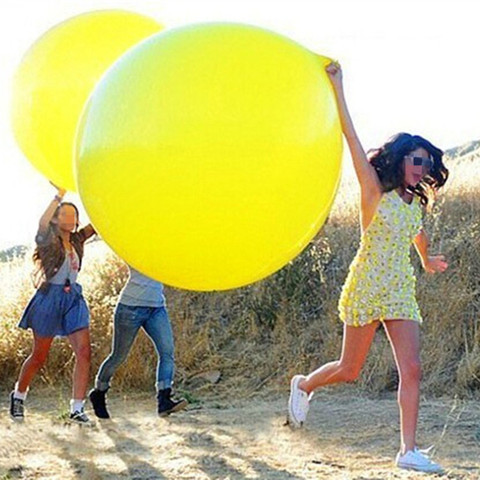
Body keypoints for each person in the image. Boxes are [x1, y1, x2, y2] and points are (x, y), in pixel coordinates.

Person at [288, 62, 449, 473]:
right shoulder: (374, 191)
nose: (423, 168)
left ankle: (407, 451)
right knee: (349, 369)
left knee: (412, 368)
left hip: (400, 290)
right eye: (417, 160)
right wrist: (338, 86)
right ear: (401, 160)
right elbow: (352, 137)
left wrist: (426, 260)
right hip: (365, 285)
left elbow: (416, 234)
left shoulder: (416, 204)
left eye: (428, 164)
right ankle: (304, 385)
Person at [10, 185, 96, 424]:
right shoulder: (47, 239)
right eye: (64, 214)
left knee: (84, 352)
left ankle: (77, 408)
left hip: (73, 299)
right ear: (57, 220)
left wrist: (106, 196)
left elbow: (100, 222)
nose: (70, 219)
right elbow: (42, 222)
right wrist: (59, 194)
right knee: (39, 355)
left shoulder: (78, 239)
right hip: (49, 299)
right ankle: (18, 395)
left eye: (73, 215)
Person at [89, 266, 187, 418]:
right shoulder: (138, 247)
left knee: (167, 353)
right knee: (118, 356)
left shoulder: (165, 250)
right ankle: (99, 393)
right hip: (130, 308)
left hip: (157, 308)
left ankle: (164, 400)